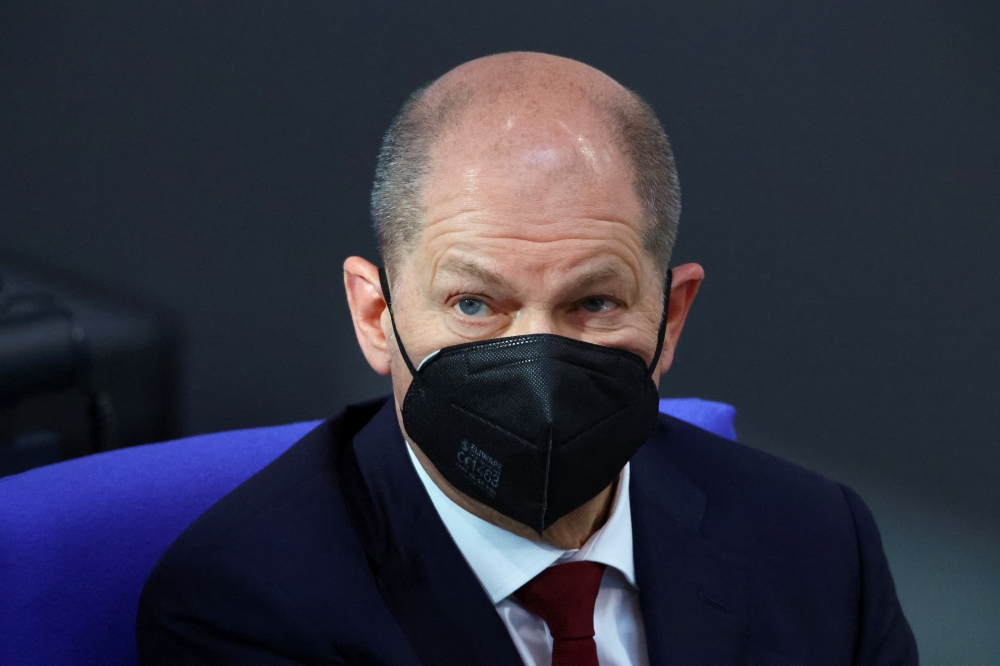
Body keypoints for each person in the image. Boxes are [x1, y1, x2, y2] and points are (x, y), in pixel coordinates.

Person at [136, 52, 918, 665]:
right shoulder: (246, 603)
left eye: (594, 304)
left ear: (671, 317)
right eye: (474, 305)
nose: (536, 362)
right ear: (376, 317)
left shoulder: (817, 542)